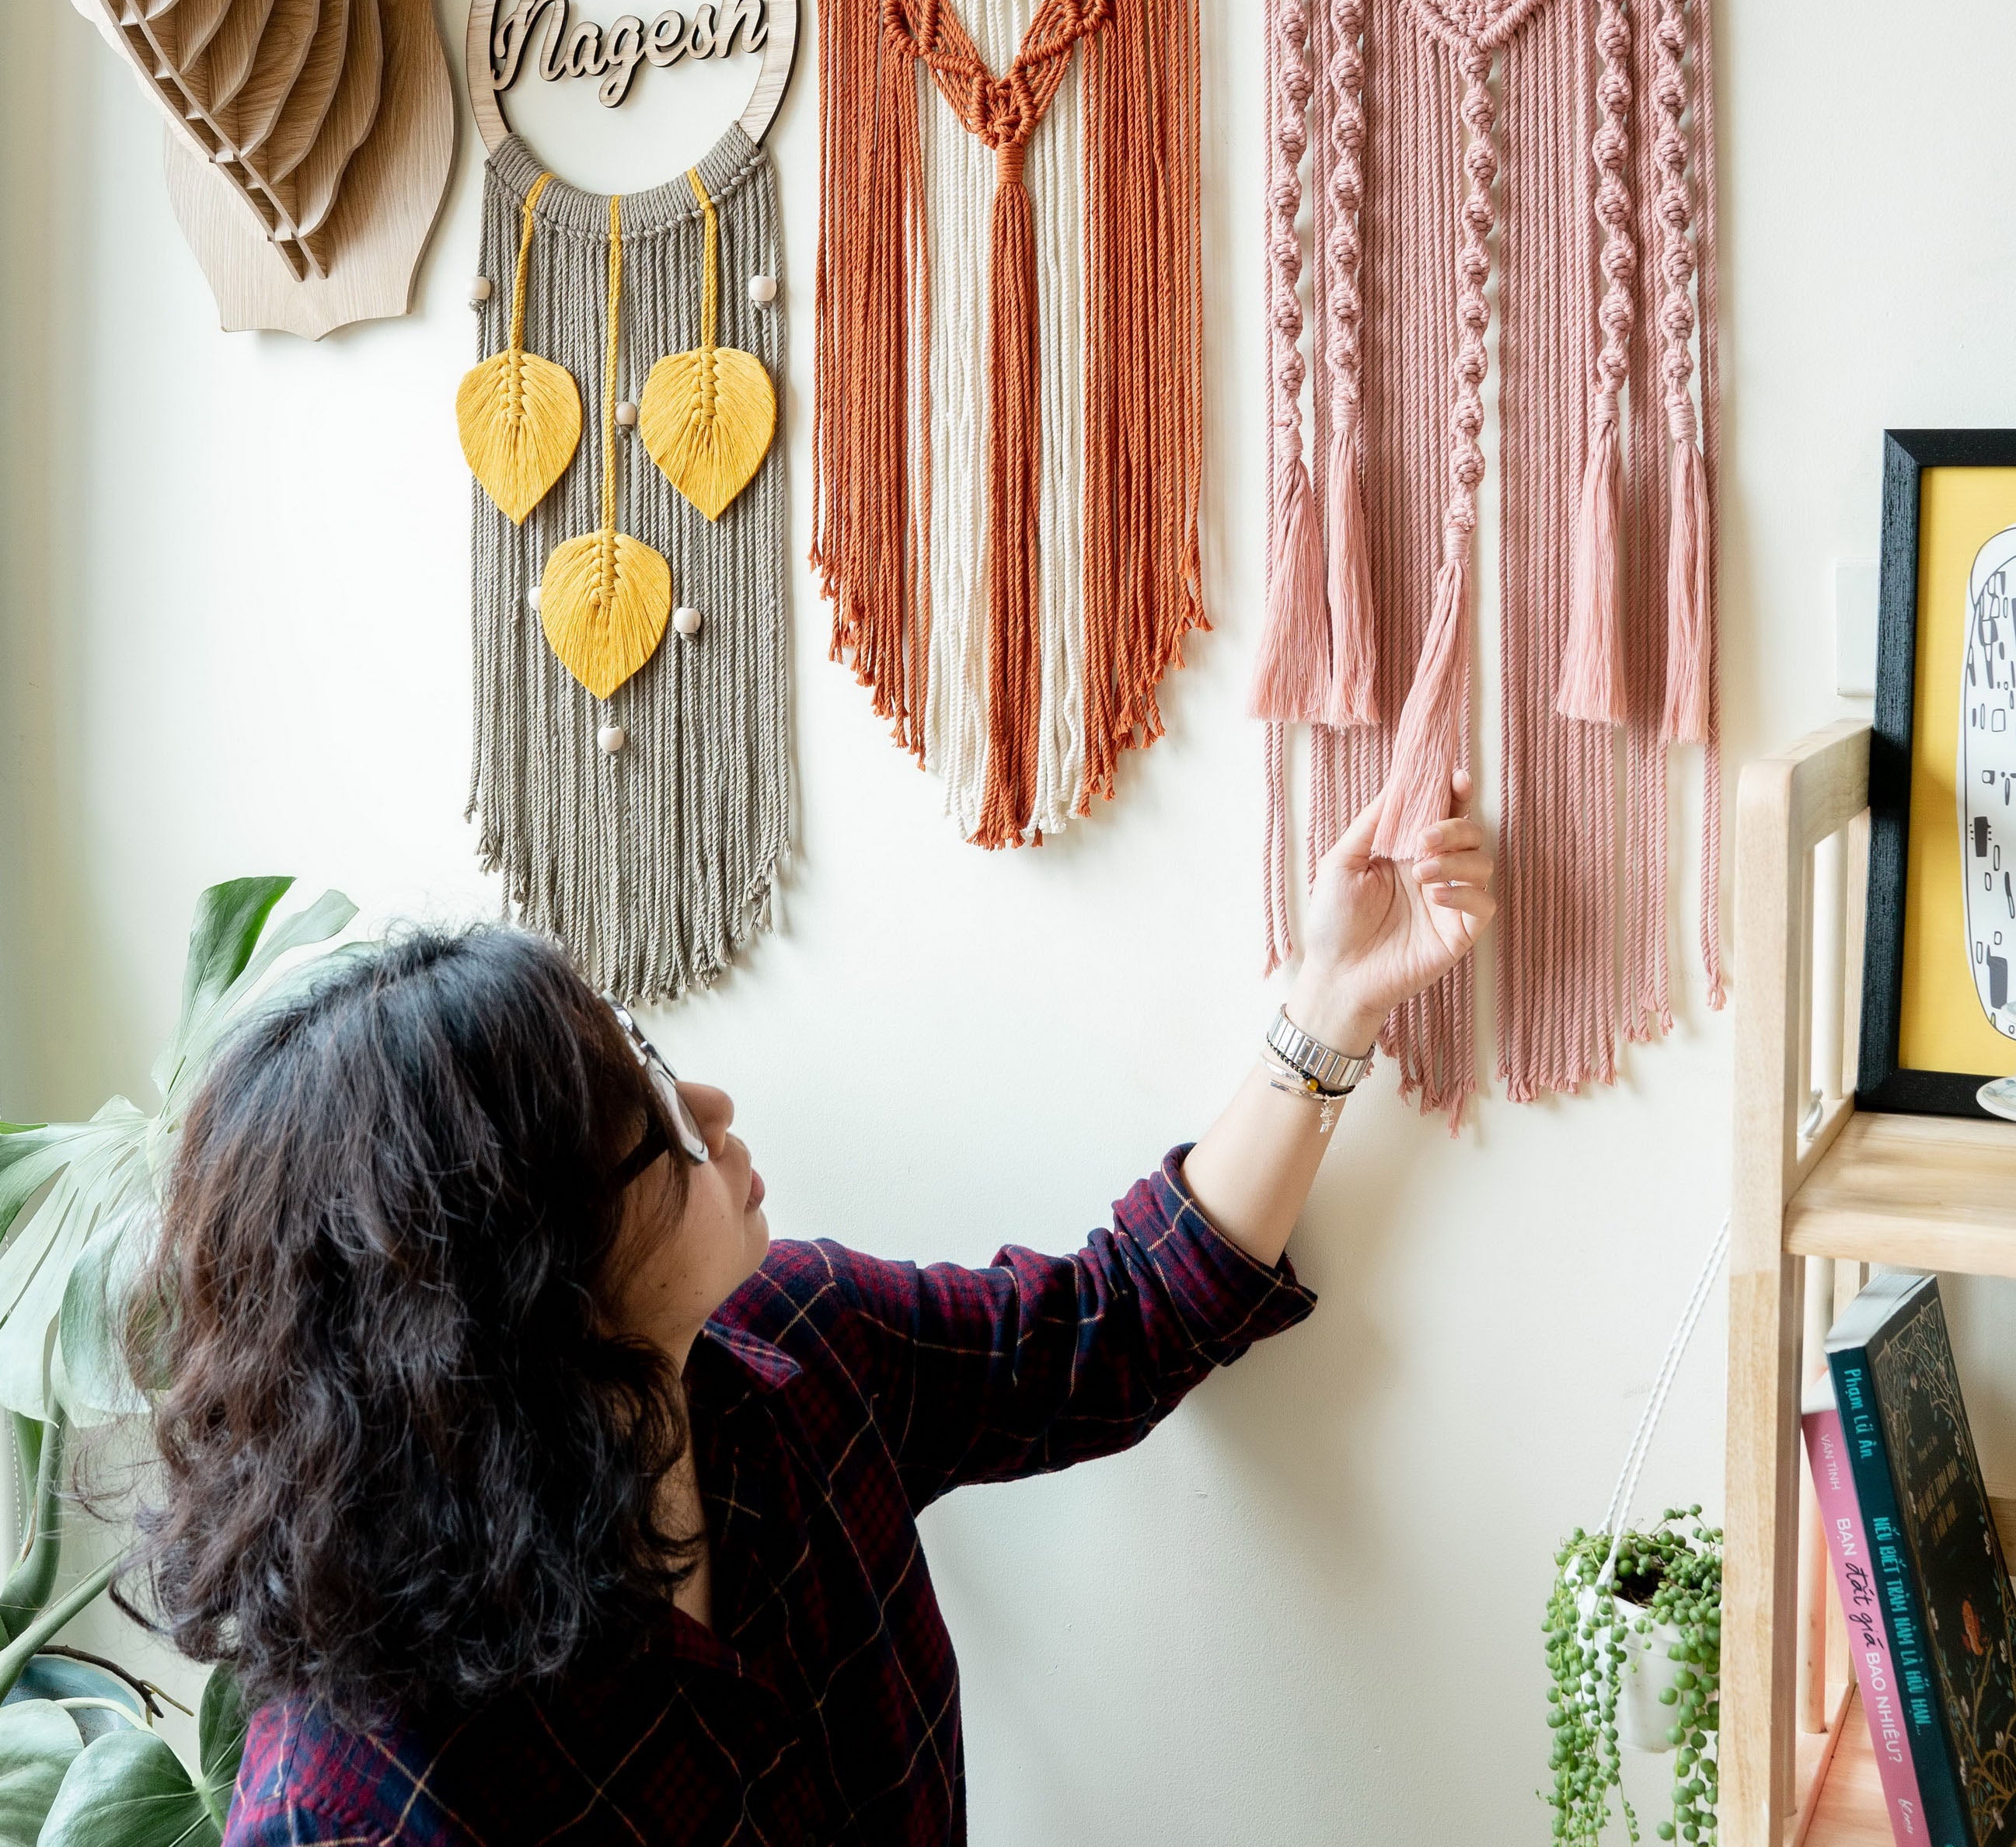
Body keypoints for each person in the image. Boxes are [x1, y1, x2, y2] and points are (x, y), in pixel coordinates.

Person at [134, 783, 1495, 1845]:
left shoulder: (795, 1349)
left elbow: (1111, 1323)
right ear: (526, 1281)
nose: (711, 1111)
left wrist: (1333, 999)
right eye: (653, 1120)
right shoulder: (363, 1801)